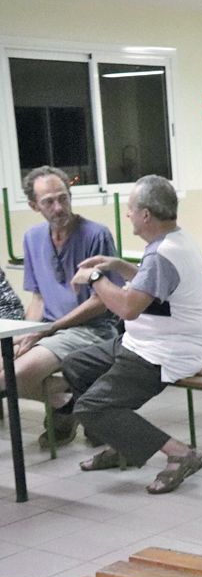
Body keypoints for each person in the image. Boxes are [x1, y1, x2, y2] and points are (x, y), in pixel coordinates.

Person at [48, 175, 202, 494]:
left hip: (162, 354)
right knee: (76, 365)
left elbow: (128, 308)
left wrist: (95, 277)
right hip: (141, 344)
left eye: (131, 209)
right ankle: (122, 442)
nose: (128, 215)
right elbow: (153, 285)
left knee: (90, 407)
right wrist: (120, 266)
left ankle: (180, 454)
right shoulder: (172, 242)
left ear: (146, 214)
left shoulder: (163, 253)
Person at [8, 166, 120, 449]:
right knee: (6, 363)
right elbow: (38, 299)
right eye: (48, 202)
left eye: (63, 198)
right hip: (49, 329)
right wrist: (25, 334)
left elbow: (103, 301)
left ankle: (72, 399)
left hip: (91, 329)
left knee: (17, 373)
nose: (58, 207)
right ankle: (68, 399)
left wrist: (48, 331)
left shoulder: (96, 234)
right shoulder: (32, 238)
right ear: (34, 205)